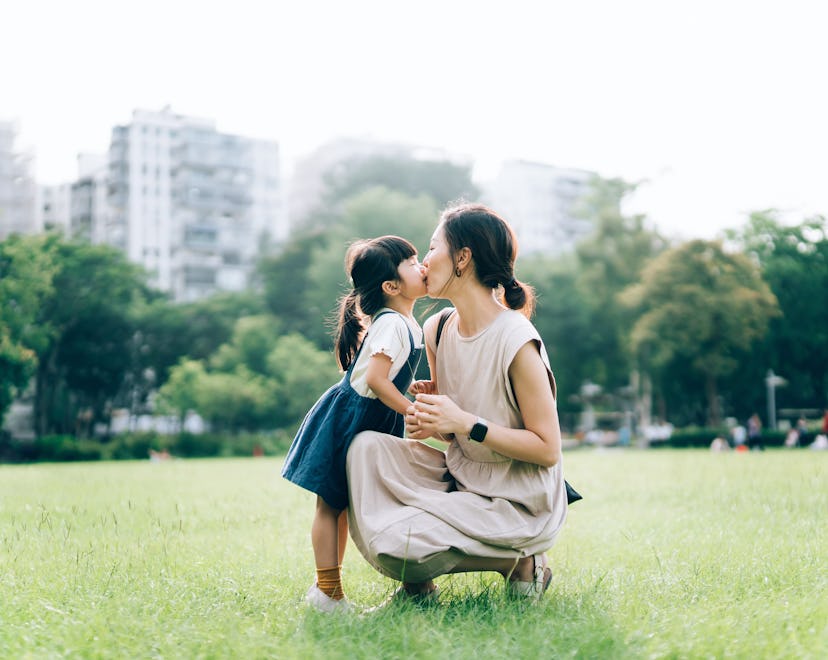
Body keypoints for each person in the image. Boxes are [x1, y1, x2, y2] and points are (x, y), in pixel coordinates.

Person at [346, 202, 568, 606]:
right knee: (365, 449)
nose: (424, 261)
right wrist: (437, 423)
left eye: (432, 248)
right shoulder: (439, 327)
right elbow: (455, 432)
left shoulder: (516, 341)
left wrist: (466, 422)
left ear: (463, 258)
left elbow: (548, 450)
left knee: (401, 541)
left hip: (517, 499)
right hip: (464, 476)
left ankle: (521, 561)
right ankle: (420, 587)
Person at [281, 235, 427, 613]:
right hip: (351, 418)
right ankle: (327, 593)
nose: (422, 265)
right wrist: (410, 409)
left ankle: (338, 592)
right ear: (391, 287)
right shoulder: (393, 323)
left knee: (346, 505)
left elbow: (385, 375)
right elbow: (376, 382)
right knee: (331, 505)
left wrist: (410, 386)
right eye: (412, 263)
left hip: (371, 417)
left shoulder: (406, 323)